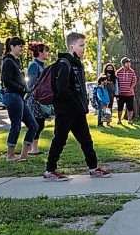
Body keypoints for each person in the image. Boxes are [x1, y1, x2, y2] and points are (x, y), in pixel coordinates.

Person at [43, 32, 111, 181]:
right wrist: (76, 103)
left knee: (86, 140)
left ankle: (93, 168)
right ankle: (49, 171)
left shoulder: (77, 64)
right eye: (81, 45)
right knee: (59, 140)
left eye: (84, 45)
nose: (84, 49)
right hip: (65, 111)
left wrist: (82, 105)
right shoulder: (64, 64)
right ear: (72, 46)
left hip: (77, 111)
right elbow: (62, 88)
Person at [1, 37, 38, 161]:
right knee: (16, 125)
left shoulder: (17, 61)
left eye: (23, 46)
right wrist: (22, 89)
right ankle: (10, 155)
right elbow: (6, 81)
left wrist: (26, 89)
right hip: (12, 96)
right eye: (20, 46)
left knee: (33, 125)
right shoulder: (8, 61)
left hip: (20, 97)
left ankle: (24, 154)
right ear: (12, 47)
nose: (22, 48)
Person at [26, 42, 50, 155]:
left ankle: (34, 149)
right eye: (46, 51)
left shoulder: (41, 65)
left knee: (40, 124)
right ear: (40, 52)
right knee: (36, 124)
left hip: (40, 98)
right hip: (34, 99)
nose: (48, 53)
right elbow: (31, 83)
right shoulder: (34, 65)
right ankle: (31, 149)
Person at [116, 57, 137, 125]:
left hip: (130, 94)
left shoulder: (132, 71)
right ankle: (119, 120)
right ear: (123, 64)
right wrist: (118, 90)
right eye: (127, 62)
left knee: (130, 108)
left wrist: (131, 88)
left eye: (129, 62)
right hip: (120, 94)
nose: (129, 64)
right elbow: (116, 82)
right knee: (120, 108)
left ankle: (130, 120)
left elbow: (134, 81)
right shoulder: (118, 72)